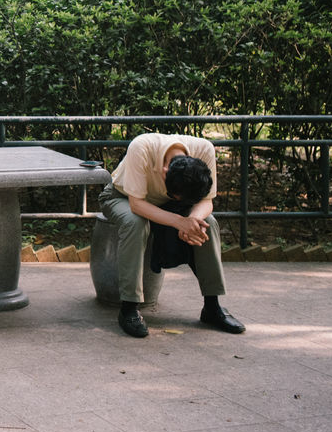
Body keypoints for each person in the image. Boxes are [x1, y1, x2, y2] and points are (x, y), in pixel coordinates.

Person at [99, 132, 245, 338]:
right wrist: (180, 222)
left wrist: (192, 222)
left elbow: (207, 202)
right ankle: (129, 308)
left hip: (175, 206)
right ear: (165, 172)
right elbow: (137, 204)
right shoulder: (141, 147)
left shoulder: (204, 150)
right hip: (121, 196)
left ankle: (212, 307)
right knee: (135, 223)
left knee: (208, 223)